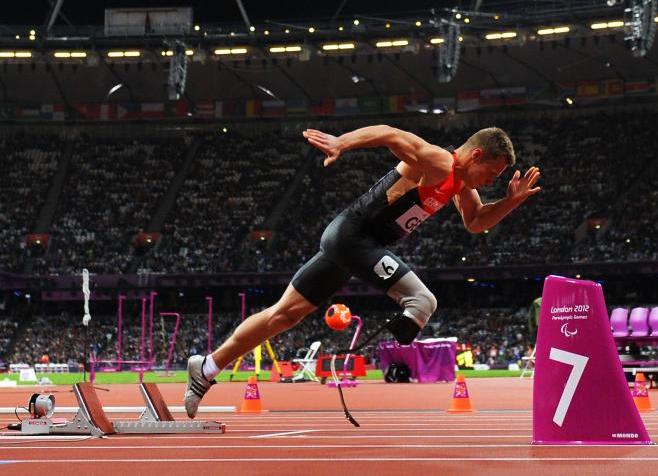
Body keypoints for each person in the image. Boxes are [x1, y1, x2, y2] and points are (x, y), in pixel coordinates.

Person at [184, 122, 541, 416]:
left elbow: (476, 222)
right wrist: (341, 142)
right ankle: (404, 324)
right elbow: (390, 133)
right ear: (476, 154)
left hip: (358, 248)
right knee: (422, 300)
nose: (491, 180)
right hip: (351, 236)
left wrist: (510, 201)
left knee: (283, 315)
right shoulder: (437, 161)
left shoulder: (460, 184)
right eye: (491, 172)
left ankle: (207, 367)